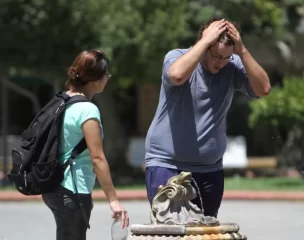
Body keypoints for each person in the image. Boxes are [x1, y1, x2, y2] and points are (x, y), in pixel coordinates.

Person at [144, 17, 271, 217]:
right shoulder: (177, 57)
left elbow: (263, 89)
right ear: (204, 44)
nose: (220, 62)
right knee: (168, 234)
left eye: (225, 57)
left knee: (206, 234)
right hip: (167, 165)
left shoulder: (233, 66)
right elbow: (177, 75)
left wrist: (242, 51)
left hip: (210, 170)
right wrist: (204, 42)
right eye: (215, 55)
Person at [42, 50, 129, 240]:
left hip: (53, 186)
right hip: (73, 188)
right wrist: (113, 200)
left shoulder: (62, 101)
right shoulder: (87, 110)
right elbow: (97, 158)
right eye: (107, 75)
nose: (108, 78)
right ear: (96, 80)